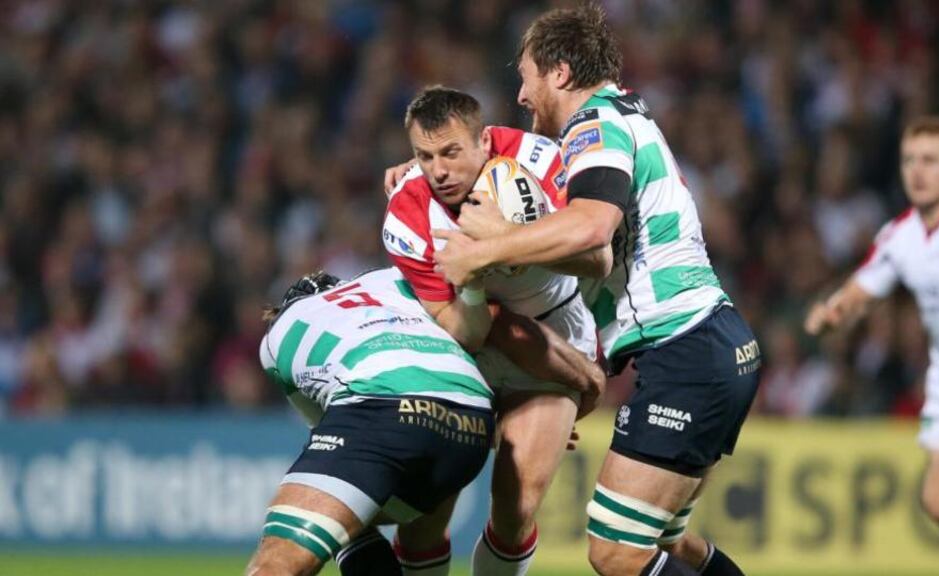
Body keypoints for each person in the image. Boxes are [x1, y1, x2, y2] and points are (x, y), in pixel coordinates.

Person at [432, 6, 758, 576]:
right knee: (671, 541)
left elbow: (590, 229)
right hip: (713, 343)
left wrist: (486, 250)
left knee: (615, 551)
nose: (521, 94)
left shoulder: (594, 125)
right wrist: (414, 177)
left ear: (559, 73)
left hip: (687, 350)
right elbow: (590, 245)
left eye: (526, 76)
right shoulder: (622, 114)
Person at [384, 85, 606, 576]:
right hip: (465, 350)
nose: (438, 171)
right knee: (422, 516)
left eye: (450, 152)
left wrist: (504, 242)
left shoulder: (541, 161)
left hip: (554, 332)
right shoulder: (406, 212)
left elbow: (597, 259)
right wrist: (474, 280)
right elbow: (466, 332)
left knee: (516, 506)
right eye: (424, 156)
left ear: (484, 141)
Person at [805, 116, 939, 576]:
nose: (917, 171)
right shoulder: (899, 236)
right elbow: (861, 292)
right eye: (909, 161)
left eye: (930, 160)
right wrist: (833, 314)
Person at [246, 268, 495, 576]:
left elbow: (324, 424)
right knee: (349, 516)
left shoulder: (275, 336)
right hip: (473, 419)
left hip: (383, 405)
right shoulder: (391, 280)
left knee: (277, 562)